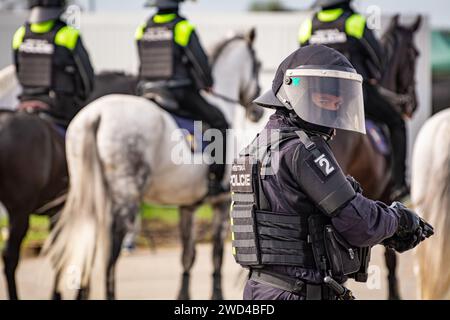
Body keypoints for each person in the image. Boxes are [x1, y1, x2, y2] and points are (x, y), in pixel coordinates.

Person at [230, 45, 433, 300]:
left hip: (258, 291)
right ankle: (400, 181)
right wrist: (399, 220)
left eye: (339, 98)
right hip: (301, 292)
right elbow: (359, 223)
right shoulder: (305, 150)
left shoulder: (254, 148)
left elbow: (303, 221)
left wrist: (387, 234)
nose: (336, 105)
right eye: (324, 98)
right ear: (294, 94)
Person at [298, 0, 409, 199]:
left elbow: (300, 61)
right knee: (396, 122)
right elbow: (378, 57)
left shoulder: (308, 25)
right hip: (353, 95)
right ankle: (399, 185)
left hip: (315, 99)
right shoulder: (354, 21)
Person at [135, 0, 229, 196]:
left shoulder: (143, 28)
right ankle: (214, 180)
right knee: (219, 121)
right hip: (177, 92)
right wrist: (207, 82)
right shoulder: (182, 27)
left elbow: (142, 60)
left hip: (146, 90)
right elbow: (199, 61)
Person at [12, 0, 95, 127]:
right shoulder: (68, 35)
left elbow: (18, 72)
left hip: (25, 102)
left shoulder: (20, 35)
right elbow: (87, 80)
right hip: (60, 109)